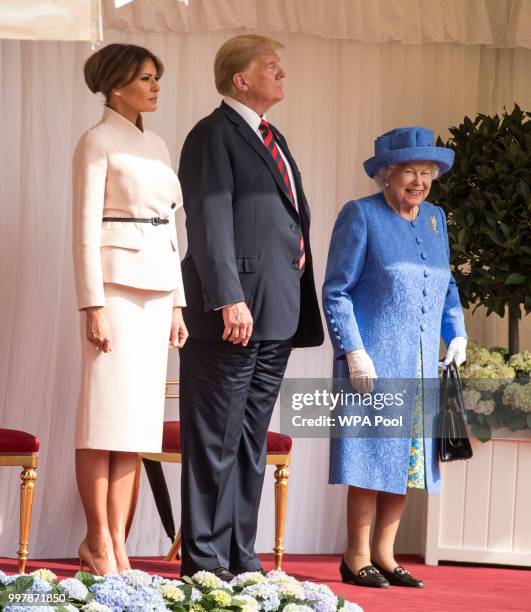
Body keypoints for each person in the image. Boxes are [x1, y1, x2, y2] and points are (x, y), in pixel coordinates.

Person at [177, 34, 324, 579]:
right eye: (270, 66)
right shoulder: (212, 135)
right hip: (231, 315)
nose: (281, 72)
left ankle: (241, 559)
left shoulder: (272, 135)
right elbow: (209, 221)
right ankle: (205, 566)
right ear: (241, 79)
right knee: (215, 442)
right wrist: (228, 299)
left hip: (277, 314)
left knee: (249, 443)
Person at [322, 127, 467, 588]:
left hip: (423, 361)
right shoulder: (360, 216)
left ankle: (385, 555)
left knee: (407, 460)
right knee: (370, 455)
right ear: (387, 174)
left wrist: (457, 333)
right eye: (410, 171)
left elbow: (447, 284)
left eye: (427, 172)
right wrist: (353, 351)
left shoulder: (435, 219)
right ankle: (356, 555)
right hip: (375, 361)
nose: (419, 181)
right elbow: (336, 290)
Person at [72, 43, 188, 575]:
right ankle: (97, 538)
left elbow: (172, 228)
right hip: (114, 290)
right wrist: (91, 303)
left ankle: (118, 541)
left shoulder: (159, 144)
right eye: (147, 77)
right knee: (103, 419)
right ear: (118, 85)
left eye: (156, 77)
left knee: (137, 425)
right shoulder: (95, 142)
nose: (156, 86)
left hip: (158, 290)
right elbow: (83, 229)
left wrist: (178, 305)